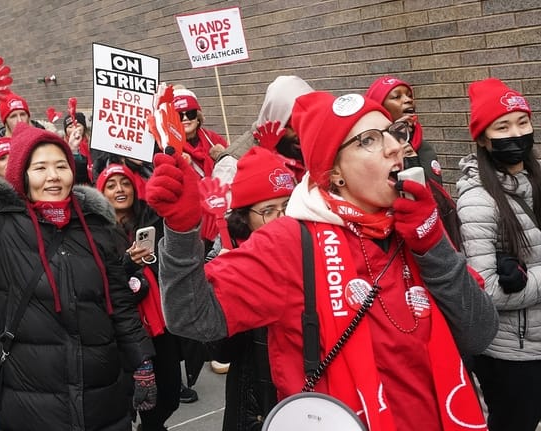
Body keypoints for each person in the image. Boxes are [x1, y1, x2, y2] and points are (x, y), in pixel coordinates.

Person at [146, 91, 498, 431]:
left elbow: (480, 333)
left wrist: (433, 244)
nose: (395, 146)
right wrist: (181, 232)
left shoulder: (416, 225)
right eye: (369, 140)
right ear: (334, 173)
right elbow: (191, 317)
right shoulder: (289, 242)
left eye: (394, 132)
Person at [0, 81, 156, 430]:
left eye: (61, 165)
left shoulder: (97, 228)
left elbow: (120, 301)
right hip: (33, 406)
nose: (53, 176)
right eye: (40, 168)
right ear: (21, 176)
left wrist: (142, 362)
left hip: (103, 400)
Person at [456, 78, 541, 431]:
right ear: (482, 138)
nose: (516, 133)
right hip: (512, 354)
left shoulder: (536, 179)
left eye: (523, 122)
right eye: (502, 126)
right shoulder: (477, 199)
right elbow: (486, 290)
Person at [212, 146, 297, 430]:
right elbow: (219, 351)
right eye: (268, 211)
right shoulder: (230, 261)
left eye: (287, 206)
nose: (281, 218)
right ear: (244, 218)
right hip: (254, 402)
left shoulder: (312, 251)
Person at [97, 163, 182, 431]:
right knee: (136, 398)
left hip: (161, 323)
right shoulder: (95, 233)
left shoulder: (154, 220)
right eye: (111, 185)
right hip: (125, 329)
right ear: (102, 193)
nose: (119, 189)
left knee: (169, 394)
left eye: (125, 183)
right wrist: (126, 264)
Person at [213, 76, 314, 186]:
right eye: (293, 125)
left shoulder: (305, 145)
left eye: (307, 122)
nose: (301, 132)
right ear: (276, 117)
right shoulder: (231, 164)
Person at [366, 76, 443, 185]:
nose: (408, 100)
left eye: (409, 95)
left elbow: (435, 192)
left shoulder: (423, 147)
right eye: (397, 97)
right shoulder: (368, 152)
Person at [172, 87, 227, 179]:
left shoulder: (214, 140)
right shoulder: (168, 146)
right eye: (179, 116)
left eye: (190, 114)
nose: (185, 119)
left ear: (198, 118)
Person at [64, 112, 93, 185]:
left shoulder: (93, 144)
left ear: (84, 127)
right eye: (70, 127)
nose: (74, 129)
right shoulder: (62, 147)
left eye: (77, 126)